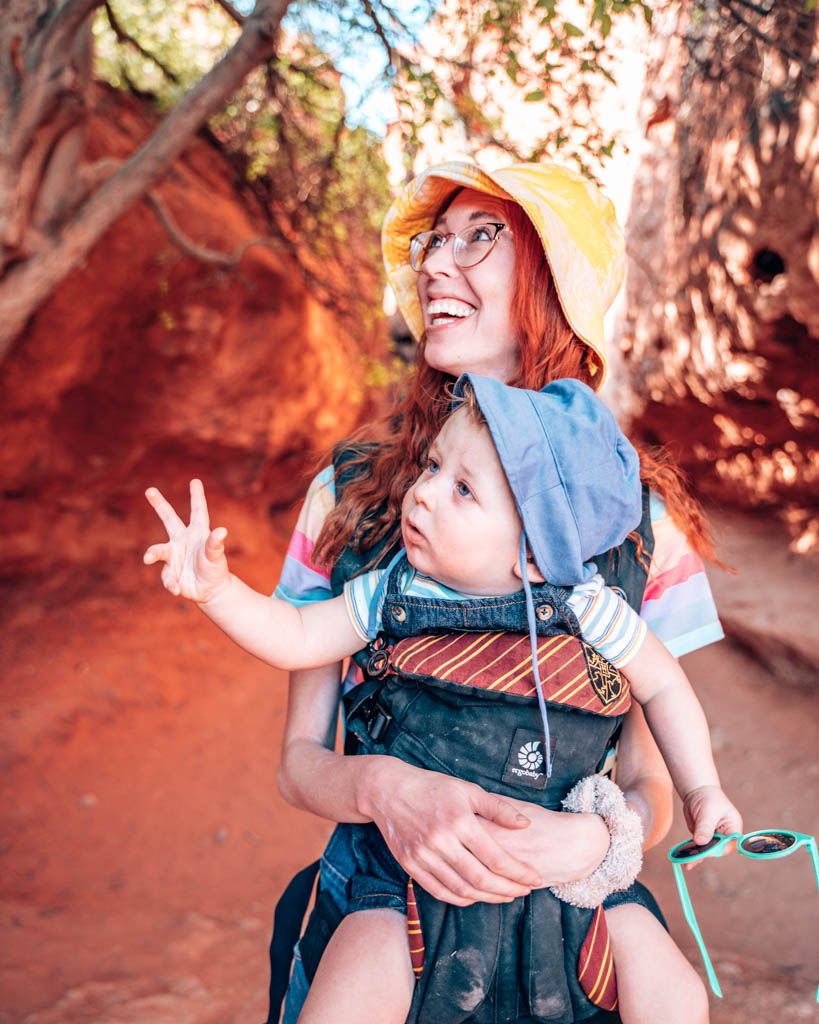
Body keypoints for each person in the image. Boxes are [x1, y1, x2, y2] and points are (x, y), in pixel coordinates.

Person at [144, 372, 741, 1024]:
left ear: (537, 558)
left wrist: (700, 790)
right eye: (431, 467)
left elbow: (663, 687)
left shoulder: (596, 614)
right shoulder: (387, 594)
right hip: (405, 885)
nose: (422, 495)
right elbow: (295, 636)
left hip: (569, 883)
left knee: (675, 995)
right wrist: (217, 591)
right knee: (345, 997)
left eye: (462, 489)